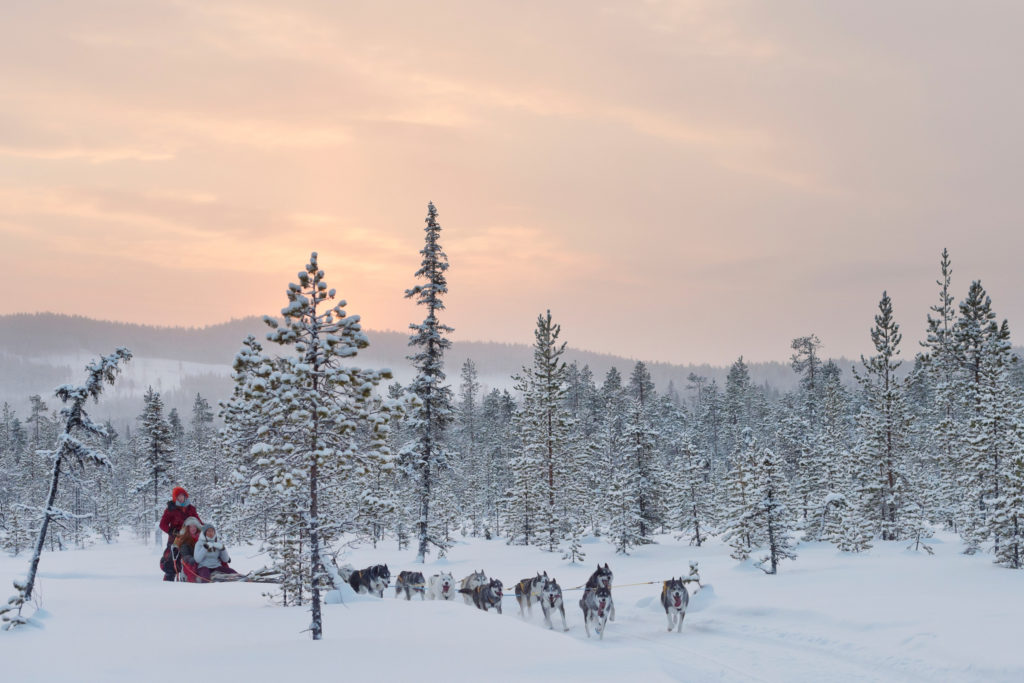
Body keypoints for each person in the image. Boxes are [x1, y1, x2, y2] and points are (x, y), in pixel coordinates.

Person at [159, 487, 202, 581]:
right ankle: (169, 577)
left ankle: (192, 575)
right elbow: (162, 524)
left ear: (185, 496)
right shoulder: (170, 509)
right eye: (178, 497)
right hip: (176, 537)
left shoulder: (191, 508)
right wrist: (171, 531)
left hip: (189, 536)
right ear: (175, 498)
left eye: (182, 496)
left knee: (192, 554)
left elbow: (197, 521)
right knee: (172, 557)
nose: (180, 498)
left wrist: (205, 529)